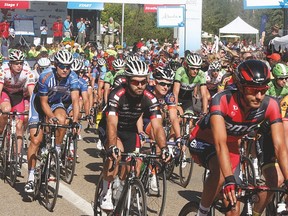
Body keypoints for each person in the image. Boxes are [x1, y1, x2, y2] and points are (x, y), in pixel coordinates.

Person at [188, 60, 288, 216]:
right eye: (253, 91)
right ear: (241, 87)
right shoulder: (223, 100)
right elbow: (220, 144)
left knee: (234, 210)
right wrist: (228, 180)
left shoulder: (271, 105)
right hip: (204, 141)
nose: (259, 96)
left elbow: (280, 147)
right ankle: (202, 211)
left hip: (231, 148)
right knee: (221, 175)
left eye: (263, 90)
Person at [98, 59, 170, 210]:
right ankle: (106, 191)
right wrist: (112, 146)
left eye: (143, 82)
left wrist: (164, 147)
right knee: (116, 155)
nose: (140, 85)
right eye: (136, 82)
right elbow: (111, 123)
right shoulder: (117, 94)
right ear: (128, 80)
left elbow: (157, 126)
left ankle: (122, 187)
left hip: (130, 130)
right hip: (112, 129)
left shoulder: (150, 98)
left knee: (132, 165)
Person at [24, 50, 80, 193]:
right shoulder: (45, 76)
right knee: (36, 140)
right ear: (56, 65)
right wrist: (50, 116)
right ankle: (30, 177)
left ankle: (57, 150)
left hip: (55, 102)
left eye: (69, 66)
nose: (65, 69)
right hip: (38, 104)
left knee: (63, 120)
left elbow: (75, 100)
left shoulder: (73, 77)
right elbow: (43, 103)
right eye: (62, 66)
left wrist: (75, 120)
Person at [0, 49, 35, 174]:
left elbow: (32, 93)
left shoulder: (27, 72)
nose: (19, 65)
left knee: (20, 125)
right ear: (10, 64)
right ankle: (1, 134)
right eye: (16, 63)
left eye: (20, 63)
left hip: (18, 96)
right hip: (5, 93)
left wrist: (34, 109)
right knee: (6, 110)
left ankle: (16, 158)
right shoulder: (3, 70)